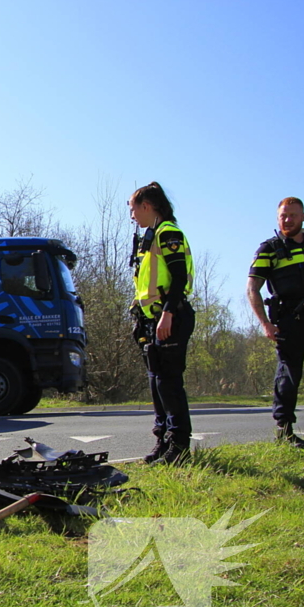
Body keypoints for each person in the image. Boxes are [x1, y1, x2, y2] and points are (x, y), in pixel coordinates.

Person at [129, 182, 196, 464]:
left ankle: (179, 445)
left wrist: (167, 313)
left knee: (169, 383)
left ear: (147, 206)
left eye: (133, 209)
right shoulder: (150, 237)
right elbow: (147, 283)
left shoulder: (169, 233)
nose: (132, 216)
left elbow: (179, 277)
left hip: (171, 316)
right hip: (152, 318)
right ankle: (163, 440)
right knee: (157, 383)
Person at [246, 197, 304, 449]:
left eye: (293, 215)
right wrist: (265, 324)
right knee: (289, 372)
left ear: (303, 217)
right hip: (289, 317)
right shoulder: (269, 248)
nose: (288, 220)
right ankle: (284, 430)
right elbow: (253, 287)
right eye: (283, 216)